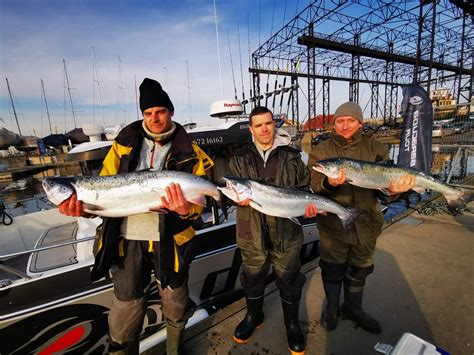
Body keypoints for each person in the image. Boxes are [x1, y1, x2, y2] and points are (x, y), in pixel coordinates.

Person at [58, 78, 214, 355]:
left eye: (160, 111)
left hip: (172, 239)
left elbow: (202, 202)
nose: (154, 118)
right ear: (142, 115)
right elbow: (104, 187)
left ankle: (174, 349)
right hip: (125, 240)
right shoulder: (122, 145)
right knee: (126, 306)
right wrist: (82, 207)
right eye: (148, 113)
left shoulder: (193, 152)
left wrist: (186, 209)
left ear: (171, 112)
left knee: (175, 299)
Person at [308, 101, 414, 334]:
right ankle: (333, 307)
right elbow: (315, 186)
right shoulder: (321, 152)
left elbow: (383, 192)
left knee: (360, 267)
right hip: (333, 225)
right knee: (332, 267)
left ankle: (354, 308)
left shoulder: (377, 148)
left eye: (350, 121)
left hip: (366, 222)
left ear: (360, 123)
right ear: (334, 124)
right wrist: (328, 183)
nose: (345, 126)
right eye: (340, 121)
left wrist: (394, 190)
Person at [228, 106, 318, 354]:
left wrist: (309, 207)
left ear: (274, 125)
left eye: (268, 123)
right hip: (252, 234)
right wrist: (236, 199)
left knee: (289, 279)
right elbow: (231, 193)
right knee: (252, 279)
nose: (265, 129)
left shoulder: (292, 156)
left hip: (287, 233)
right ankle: (253, 317)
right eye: (258, 125)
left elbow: (304, 188)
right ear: (251, 129)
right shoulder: (239, 158)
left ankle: (291, 324)